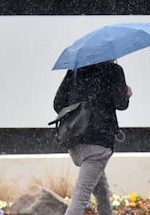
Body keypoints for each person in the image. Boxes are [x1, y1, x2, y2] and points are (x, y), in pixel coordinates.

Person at [53, 60, 131, 215]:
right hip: (98, 142)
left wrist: (79, 103)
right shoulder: (113, 70)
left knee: (102, 192)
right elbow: (121, 103)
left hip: (74, 140)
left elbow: (58, 104)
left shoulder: (74, 71)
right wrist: (126, 93)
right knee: (81, 196)